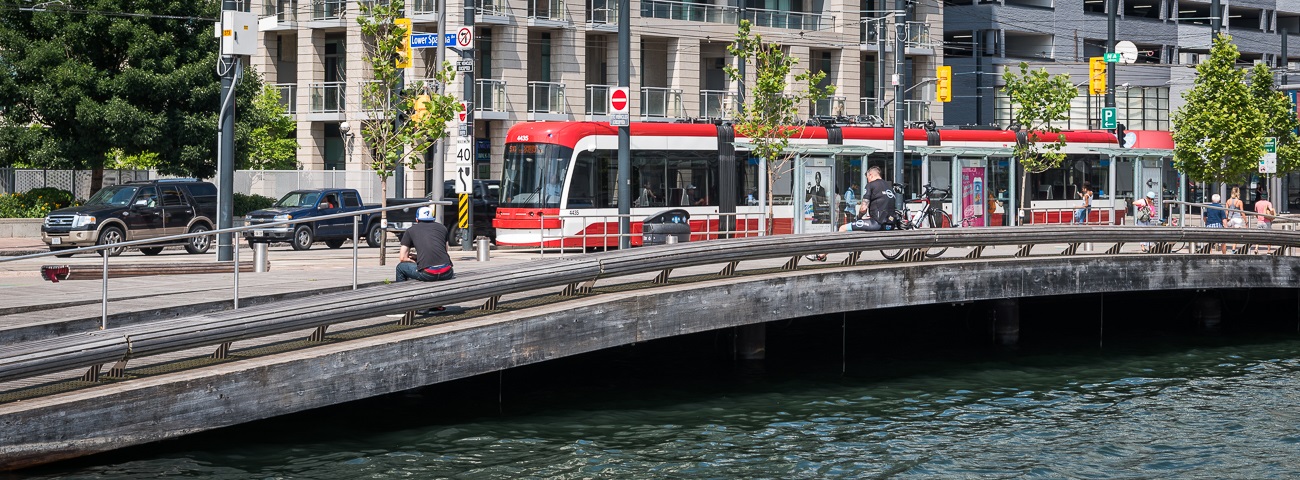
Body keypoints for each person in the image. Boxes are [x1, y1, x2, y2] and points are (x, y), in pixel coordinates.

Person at [396, 206, 455, 287]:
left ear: (417, 219)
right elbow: (444, 251)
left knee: (400, 267)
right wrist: (418, 257)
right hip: (447, 272)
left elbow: (402, 258)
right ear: (433, 219)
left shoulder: (410, 230)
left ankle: (401, 292)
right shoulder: (442, 228)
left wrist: (414, 260)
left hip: (428, 274)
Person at [839, 166, 895, 232]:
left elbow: (863, 209)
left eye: (867, 178)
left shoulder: (871, 185)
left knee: (843, 228)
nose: (868, 180)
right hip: (890, 225)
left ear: (870, 175)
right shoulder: (889, 186)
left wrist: (858, 217)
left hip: (876, 223)